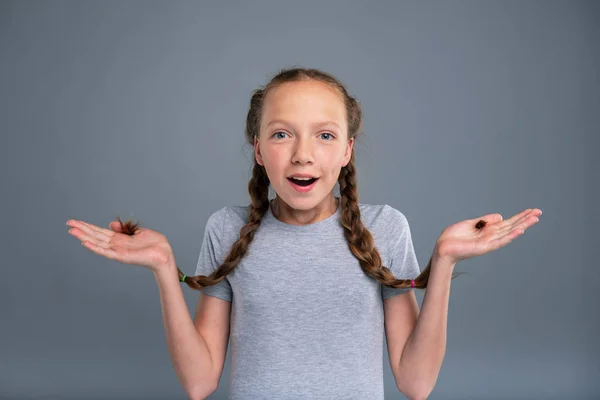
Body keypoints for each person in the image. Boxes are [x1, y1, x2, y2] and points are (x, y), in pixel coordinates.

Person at [66, 67, 542, 400]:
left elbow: (416, 384)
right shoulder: (226, 228)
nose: (302, 155)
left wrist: (444, 264)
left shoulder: (386, 228)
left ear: (347, 151)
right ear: (257, 149)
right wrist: (164, 270)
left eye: (325, 135)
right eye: (281, 134)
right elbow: (198, 384)